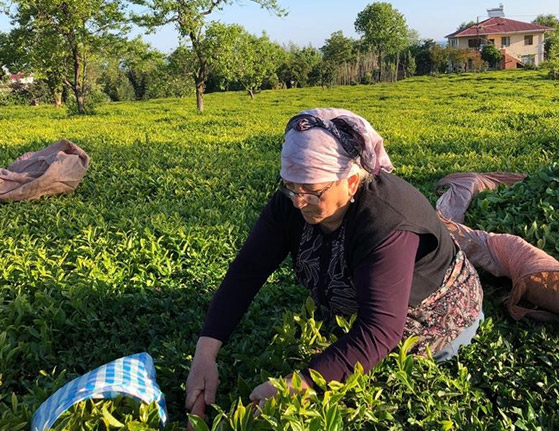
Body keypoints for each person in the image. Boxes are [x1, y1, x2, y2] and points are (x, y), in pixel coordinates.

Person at [185, 108, 484, 416]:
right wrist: (204, 355)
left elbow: (381, 329)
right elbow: (246, 273)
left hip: (429, 315)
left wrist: (301, 385)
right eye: (291, 187)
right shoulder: (293, 199)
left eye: (313, 192)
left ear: (351, 182)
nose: (299, 202)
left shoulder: (386, 220)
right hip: (359, 309)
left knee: (388, 359)